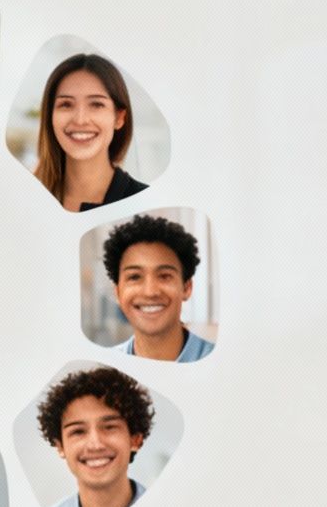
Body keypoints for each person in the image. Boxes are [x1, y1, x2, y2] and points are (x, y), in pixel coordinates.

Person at [35, 367, 156, 507]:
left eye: (109, 427)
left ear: (135, 439)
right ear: (60, 446)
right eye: (78, 431)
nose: (95, 444)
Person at [33, 54, 147, 212]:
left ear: (119, 118)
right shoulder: (25, 200)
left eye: (96, 104)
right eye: (66, 104)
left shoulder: (147, 204)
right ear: (50, 115)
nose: (80, 120)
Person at [101, 214, 214, 362]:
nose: (150, 292)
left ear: (186, 288)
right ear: (118, 292)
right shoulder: (106, 366)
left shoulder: (223, 362)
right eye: (135, 277)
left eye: (165, 276)